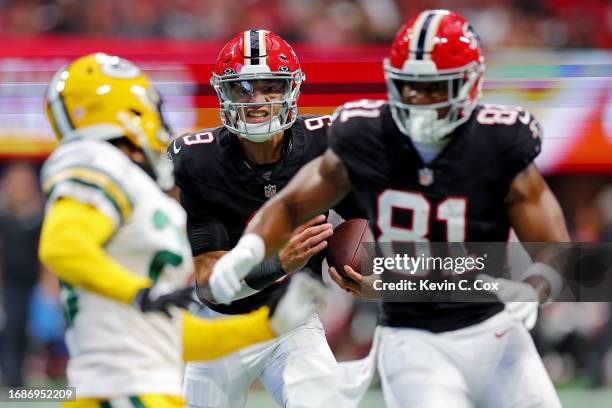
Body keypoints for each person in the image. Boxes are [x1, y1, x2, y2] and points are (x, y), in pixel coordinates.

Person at [209, 10, 569, 408]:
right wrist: (246, 255)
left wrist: (538, 285)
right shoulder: (366, 134)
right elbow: (291, 203)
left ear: (469, 84)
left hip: (494, 326)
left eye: (435, 88)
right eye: (409, 86)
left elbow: (558, 251)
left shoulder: (501, 140)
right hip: (413, 336)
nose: (418, 100)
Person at [38, 52, 324, 407]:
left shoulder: (132, 184)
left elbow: (172, 333)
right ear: (129, 108)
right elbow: (61, 247)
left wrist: (266, 327)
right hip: (120, 392)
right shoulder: (97, 161)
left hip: (149, 389)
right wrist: (141, 294)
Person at [170, 29, 362, 408]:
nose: (256, 100)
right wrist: (279, 263)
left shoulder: (325, 143)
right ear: (223, 94)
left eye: (270, 86)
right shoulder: (199, 161)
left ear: (291, 88)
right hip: (221, 324)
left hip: (293, 318)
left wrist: (374, 274)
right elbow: (211, 285)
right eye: (242, 89)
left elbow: (369, 219)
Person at [0, 164, 43, 386]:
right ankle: (12, 376)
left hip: (37, 279)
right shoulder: (4, 213)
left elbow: (46, 251)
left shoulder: (40, 212)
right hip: (12, 280)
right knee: (13, 324)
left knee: (38, 327)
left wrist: (49, 281)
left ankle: (37, 366)